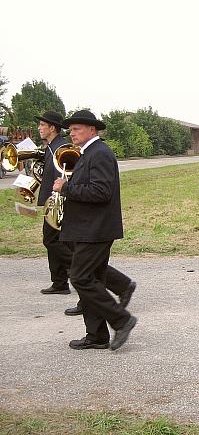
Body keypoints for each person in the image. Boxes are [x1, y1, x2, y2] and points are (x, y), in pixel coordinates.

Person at [53, 110, 137, 350]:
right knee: (93, 279)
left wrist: (66, 188)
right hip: (87, 228)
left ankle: (122, 321)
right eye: (71, 129)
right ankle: (96, 335)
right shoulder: (89, 152)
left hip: (95, 230)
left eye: (76, 129)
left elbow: (101, 192)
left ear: (92, 130)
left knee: (80, 278)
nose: (72, 133)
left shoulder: (99, 153)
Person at [35, 111, 75, 295]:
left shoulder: (62, 147)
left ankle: (80, 270)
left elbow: (68, 174)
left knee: (51, 240)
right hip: (51, 199)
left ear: (52, 128)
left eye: (42, 125)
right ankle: (59, 282)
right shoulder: (50, 146)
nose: (39, 128)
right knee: (57, 241)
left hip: (59, 201)